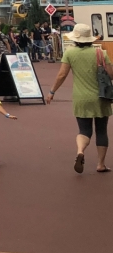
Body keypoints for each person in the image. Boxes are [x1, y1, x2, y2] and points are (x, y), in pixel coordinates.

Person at [46, 23, 113, 174]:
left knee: (84, 130)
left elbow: (62, 75)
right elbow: (111, 74)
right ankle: (101, 164)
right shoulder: (101, 53)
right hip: (101, 97)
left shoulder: (70, 53)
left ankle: (80, 151)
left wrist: (52, 91)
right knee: (101, 131)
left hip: (80, 97)